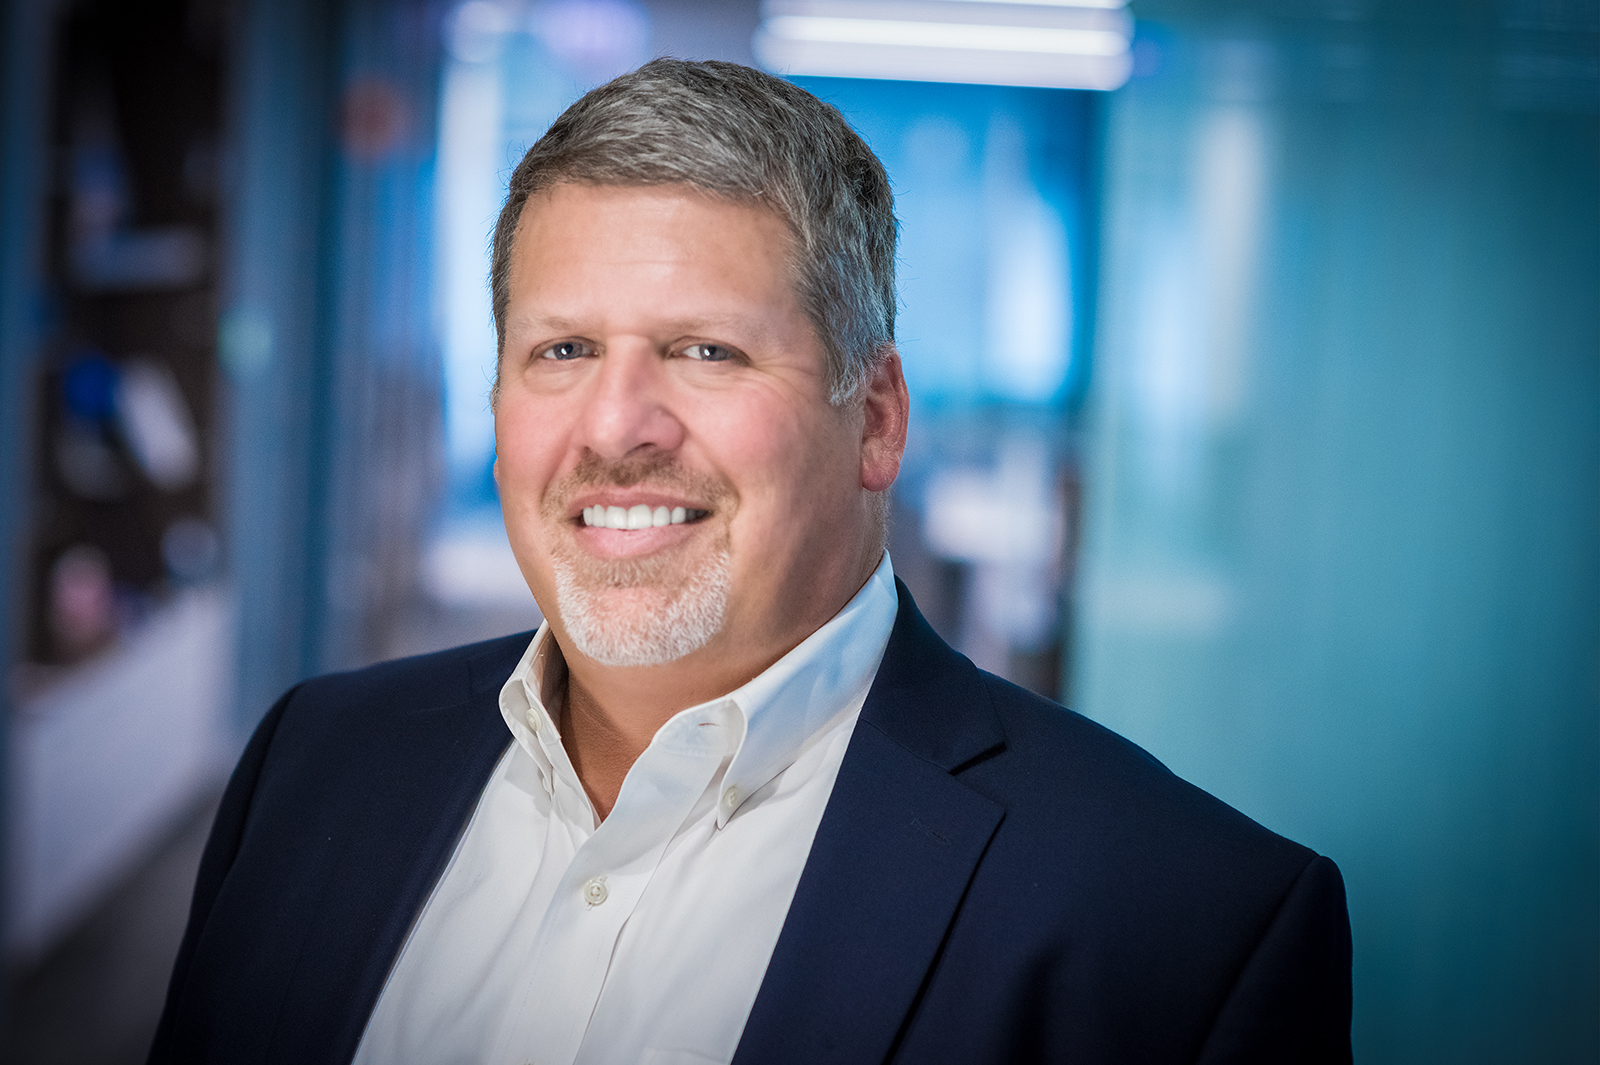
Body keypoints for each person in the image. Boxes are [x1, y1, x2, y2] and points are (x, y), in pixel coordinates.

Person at [149, 59, 1351, 1065]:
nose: (615, 426)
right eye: (561, 349)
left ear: (875, 418)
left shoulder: (1179, 926)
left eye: (706, 352)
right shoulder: (315, 763)